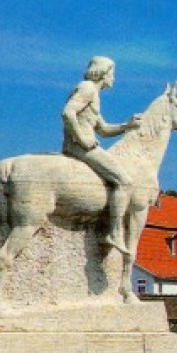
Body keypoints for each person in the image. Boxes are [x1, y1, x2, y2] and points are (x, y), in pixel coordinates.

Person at [62, 57, 141, 254]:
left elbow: (103, 130)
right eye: (112, 73)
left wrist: (126, 125)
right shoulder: (87, 88)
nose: (114, 78)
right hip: (82, 147)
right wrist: (81, 139)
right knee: (125, 181)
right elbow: (67, 113)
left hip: (85, 145)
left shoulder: (94, 93)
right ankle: (114, 232)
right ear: (103, 72)